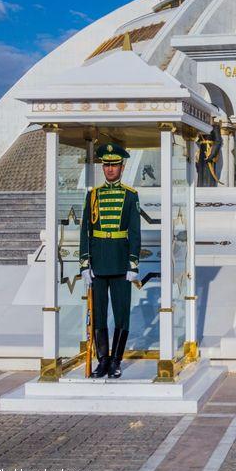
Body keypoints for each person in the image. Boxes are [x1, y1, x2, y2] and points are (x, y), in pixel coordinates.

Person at [79, 142, 141, 379]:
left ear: (122, 167)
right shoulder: (93, 195)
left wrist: (133, 264)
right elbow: (86, 230)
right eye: (107, 165)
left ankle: (116, 360)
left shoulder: (130, 195)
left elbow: (134, 232)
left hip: (120, 261)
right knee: (99, 314)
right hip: (98, 262)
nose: (110, 170)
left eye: (114, 165)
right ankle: (102, 360)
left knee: (122, 313)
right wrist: (85, 263)